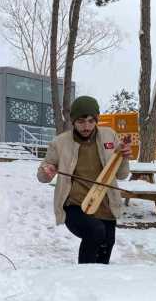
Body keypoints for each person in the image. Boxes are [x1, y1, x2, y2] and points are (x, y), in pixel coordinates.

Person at [37, 96, 131, 264]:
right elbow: (42, 174)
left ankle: (97, 286)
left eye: (90, 121)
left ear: (96, 119)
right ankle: (83, 279)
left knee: (106, 246)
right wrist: (47, 171)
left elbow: (122, 175)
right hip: (75, 205)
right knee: (95, 231)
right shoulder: (60, 143)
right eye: (80, 121)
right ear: (73, 121)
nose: (86, 126)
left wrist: (123, 158)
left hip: (104, 204)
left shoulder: (109, 136)